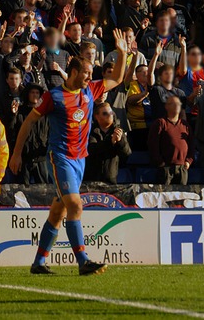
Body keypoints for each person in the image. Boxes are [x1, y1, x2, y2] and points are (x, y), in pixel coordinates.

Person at [9, 29, 128, 275]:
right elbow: (29, 122)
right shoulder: (54, 96)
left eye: (91, 73)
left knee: (58, 210)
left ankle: (38, 263)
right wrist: (16, 153)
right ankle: (83, 260)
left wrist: (123, 52)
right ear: (73, 72)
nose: (89, 76)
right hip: (60, 157)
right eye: (86, 73)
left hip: (79, 159)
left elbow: (117, 78)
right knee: (75, 205)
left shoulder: (90, 91)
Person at [148, 96, 194, 185]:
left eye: (178, 104)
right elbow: (152, 145)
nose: (176, 106)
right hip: (166, 169)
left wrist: (188, 161)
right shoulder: (160, 123)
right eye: (173, 103)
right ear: (166, 106)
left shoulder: (185, 125)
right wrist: (160, 163)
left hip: (182, 168)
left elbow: (191, 145)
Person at [86, 102, 131, 184]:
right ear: (97, 116)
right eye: (105, 113)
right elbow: (92, 150)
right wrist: (110, 142)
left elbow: (126, 153)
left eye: (111, 113)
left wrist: (120, 141)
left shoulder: (118, 131)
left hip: (111, 178)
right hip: (91, 178)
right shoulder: (90, 131)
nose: (109, 115)